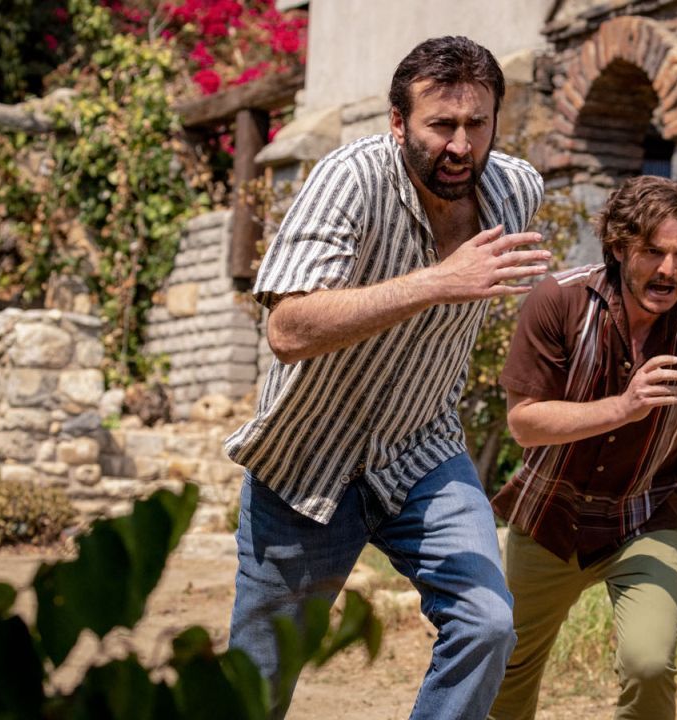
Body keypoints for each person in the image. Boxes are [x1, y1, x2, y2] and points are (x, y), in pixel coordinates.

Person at [222, 36, 549, 719]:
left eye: (477, 124)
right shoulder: (351, 180)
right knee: (255, 689)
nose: (461, 146)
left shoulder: (518, 190)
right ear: (398, 122)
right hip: (306, 460)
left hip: (421, 448)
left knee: (488, 625)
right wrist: (437, 281)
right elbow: (288, 329)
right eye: (441, 125)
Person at [487, 176, 677, 720]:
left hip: (647, 516)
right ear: (619, 246)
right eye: (653, 251)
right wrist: (624, 407)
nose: (669, 270)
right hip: (550, 514)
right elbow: (525, 424)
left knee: (649, 665)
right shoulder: (560, 301)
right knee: (504, 672)